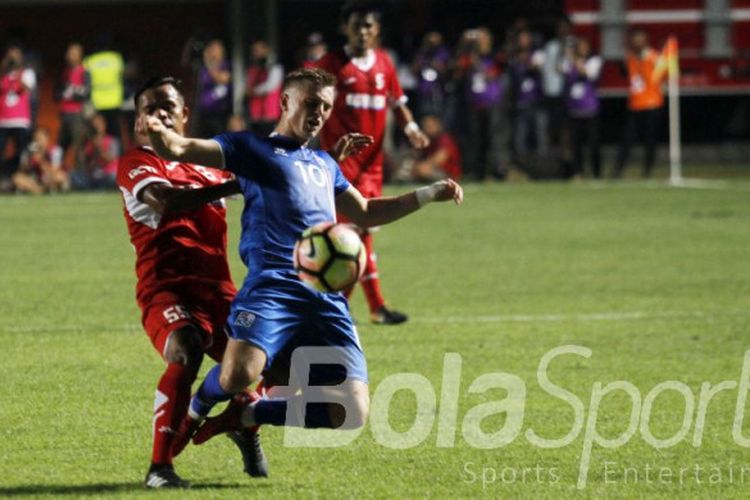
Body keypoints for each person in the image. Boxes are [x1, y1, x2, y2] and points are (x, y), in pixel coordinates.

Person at [142, 67, 463, 464]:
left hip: (325, 297)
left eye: (326, 107)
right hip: (272, 287)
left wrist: (429, 193)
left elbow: (364, 213)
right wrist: (160, 133)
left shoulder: (325, 164)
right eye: (311, 103)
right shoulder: (250, 150)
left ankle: (249, 414)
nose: (319, 113)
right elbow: (179, 148)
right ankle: (195, 411)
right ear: (285, 101)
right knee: (238, 375)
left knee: (350, 412)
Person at [116, 76, 268, 489]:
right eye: (150, 108)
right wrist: (236, 182)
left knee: (255, 374)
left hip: (220, 294)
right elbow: (165, 201)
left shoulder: (208, 161)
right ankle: (159, 469)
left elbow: (272, 175)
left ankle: (243, 422)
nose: (159, 113)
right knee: (186, 348)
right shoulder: (138, 162)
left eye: (168, 106)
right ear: (140, 124)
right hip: (165, 290)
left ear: (184, 114)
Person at [315, 1, 430, 325]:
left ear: (376, 30)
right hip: (341, 166)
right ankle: (344, 307)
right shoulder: (331, 65)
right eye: (356, 25)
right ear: (345, 29)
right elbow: (310, 101)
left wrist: (411, 128)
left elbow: (398, 102)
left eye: (368, 26)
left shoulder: (383, 64)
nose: (363, 32)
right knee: (351, 235)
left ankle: (360, 307)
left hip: (372, 166)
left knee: (360, 234)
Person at [614, 29, 665, 178]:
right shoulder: (629, 58)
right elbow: (626, 76)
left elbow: (663, 74)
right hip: (635, 105)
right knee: (626, 139)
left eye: (640, 39)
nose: (637, 42)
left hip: (652, 104)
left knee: (650, 140)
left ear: (646, 40)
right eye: (635, 39)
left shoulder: (654, 57)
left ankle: (647, 171)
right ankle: (618, 170)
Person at [562, 37, 602, 179]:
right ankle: (578, 172)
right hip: (574, 109)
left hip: (590, 109)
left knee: (593, 144)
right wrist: (567, 57)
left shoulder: (594, 61)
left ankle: (596, 173)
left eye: (585, 47)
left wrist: (574, 60)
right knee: (575, 145)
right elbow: (560, 69)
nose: (582, 49)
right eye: (580, 47)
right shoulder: (570, 62)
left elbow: (587, 73)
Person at [0, 43, 36, 188]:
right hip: (3, 120)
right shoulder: (3, 74)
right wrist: (5, 66)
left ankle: (18, 178)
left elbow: (26, 88)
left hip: (20, 120)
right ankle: (3, 177)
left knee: (21, 152)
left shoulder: (27, 72)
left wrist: (17, 70)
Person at [55, 42, 90, 170]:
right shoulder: (64, 72)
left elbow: (87, 92)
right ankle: (58, 173)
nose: (70, 55)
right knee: (61, 145)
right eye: (69, 52)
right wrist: (66, 92)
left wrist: (72, 92)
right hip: (64, 113)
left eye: (74, 53)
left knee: (78, 145)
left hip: (77, 113)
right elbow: (57, 93)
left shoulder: (84, 72)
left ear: (80, 56)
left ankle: (80, 175)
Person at [397, 114, 462, 182]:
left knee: (422, 170)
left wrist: (420, 167)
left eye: (429, 126)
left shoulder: (444, 139)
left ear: (437, 126)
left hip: (447, 174)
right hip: (432, 169)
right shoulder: (428, 139)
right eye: (425, 126)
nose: (426, 129)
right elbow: (415, 154)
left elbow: (438, 159)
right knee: (407, 165)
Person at [84, 36, 124, 138]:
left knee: (98, 133)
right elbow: (121, 75)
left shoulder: (89, 61)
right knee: (115, 134)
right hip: (114, 102)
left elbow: (85, 81)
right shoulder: (116, 58)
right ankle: (118, 153)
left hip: (97, 103)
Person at [12, 127, 68, 194]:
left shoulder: (55, 150)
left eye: (40, 138)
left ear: (47, 139)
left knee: (60, 177)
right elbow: (23, 170)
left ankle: (39, 189)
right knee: (17, 178)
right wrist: (28, 161)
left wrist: (40, 161)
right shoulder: (28, 151)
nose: (38, 141)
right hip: (34, 179)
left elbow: (54, 170)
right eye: (36, 139)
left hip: (48, 177)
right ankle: (40, 190)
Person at [245, 40, 283, 136]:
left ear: (266, 50)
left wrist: (253, 91)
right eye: (254, 50)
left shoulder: (275, 65)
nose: (256, 53)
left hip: (269, 112)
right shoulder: (252, 66)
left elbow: (271, 85)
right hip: (255, 113)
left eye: (258, 50)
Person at [195, 39, 231, 138]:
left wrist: (209, 63)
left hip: (219, 113)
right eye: (211, 48)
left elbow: (222, 79)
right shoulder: (203, 68)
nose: (212, 51)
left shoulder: (225, 65)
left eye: (216, 48)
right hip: (203, 113)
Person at [75, 113, 120, 189]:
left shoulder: (112, 141)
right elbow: (81, 162)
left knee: (114, 176)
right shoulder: (88, 143)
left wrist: (99, 147)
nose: (97, 126)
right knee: (75, 176)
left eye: (99, 124)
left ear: (104, 125)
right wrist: (82, 143)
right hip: (92, 176)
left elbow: (111, 159)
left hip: (107, 174)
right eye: (94, 124)